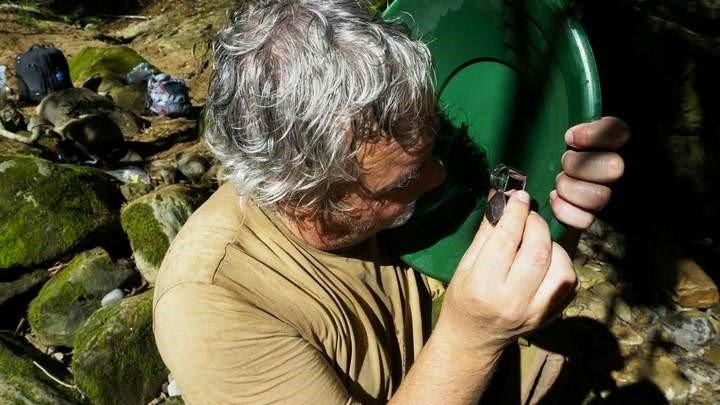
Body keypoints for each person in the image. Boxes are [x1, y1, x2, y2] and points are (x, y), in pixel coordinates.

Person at [152, 1, 630, 403]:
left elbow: (500, 252)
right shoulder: (215, 309)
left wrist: (559, 206)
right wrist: (471, 338)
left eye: (434, 145)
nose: (438, 177)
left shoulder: (394, 150)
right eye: (404, 180)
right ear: (304, 194)